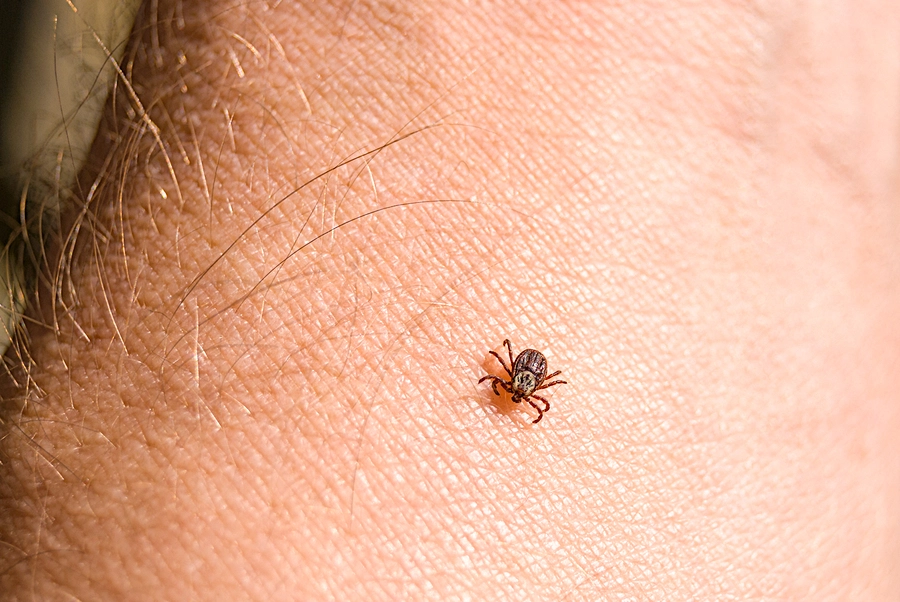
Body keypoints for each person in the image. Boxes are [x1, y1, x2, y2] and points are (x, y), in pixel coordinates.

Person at [1, 1, 898, 599]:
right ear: (520, 382)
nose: (513, 389)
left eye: (515, 388)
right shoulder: (522, 385)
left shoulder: (517, 380)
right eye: (515, 385)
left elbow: (518, 377)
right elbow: (524, 383)